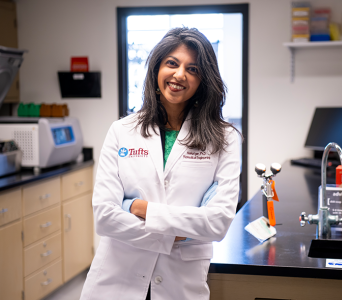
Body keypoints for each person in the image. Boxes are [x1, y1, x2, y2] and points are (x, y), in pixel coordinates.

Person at [80, 27, 241, 300]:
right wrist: (173, 234)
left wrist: (137, 208)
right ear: (156, 69)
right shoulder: (122, 130)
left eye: (193, 69)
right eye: (172, 63)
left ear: (203, 80)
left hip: (180, 284)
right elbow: (105, 217)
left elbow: (217, 223)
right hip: (116, 279)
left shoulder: (224, 138)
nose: (180, 75)